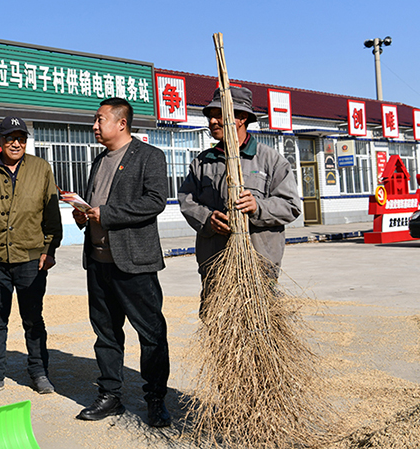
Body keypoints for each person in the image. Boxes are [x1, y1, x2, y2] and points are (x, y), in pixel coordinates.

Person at [73, 98, 171, 428]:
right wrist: (83, 214)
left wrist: (107, 214)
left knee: (151, 334)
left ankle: (156, 399)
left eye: (100, 120)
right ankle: (110, 396)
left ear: (121, 123)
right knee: (106, 334)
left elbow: (155, 201)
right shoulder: (99, 161)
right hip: (99, 261)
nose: (94, 126)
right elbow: (97, 205)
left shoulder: (149, 157)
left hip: (134, 263)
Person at [177, 86, 301, 315]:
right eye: (210, 116)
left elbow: (291, 206)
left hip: (258, 266)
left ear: (242, 118)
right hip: (215, 263)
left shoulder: (270, 160)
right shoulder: (203, 162)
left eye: (219, 114)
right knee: (217, 326)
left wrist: (258, 207)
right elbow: (186, 200)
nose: (212, 121)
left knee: (261, 326)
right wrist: (207, 218)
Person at [0, 116, 63, 398]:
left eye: (21, 138)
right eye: (10, 138)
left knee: (33, 318)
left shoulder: (41, 169)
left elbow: (51, 214)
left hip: (31, 257)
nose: (16, 143)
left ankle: (39, 372)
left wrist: (50, 249)